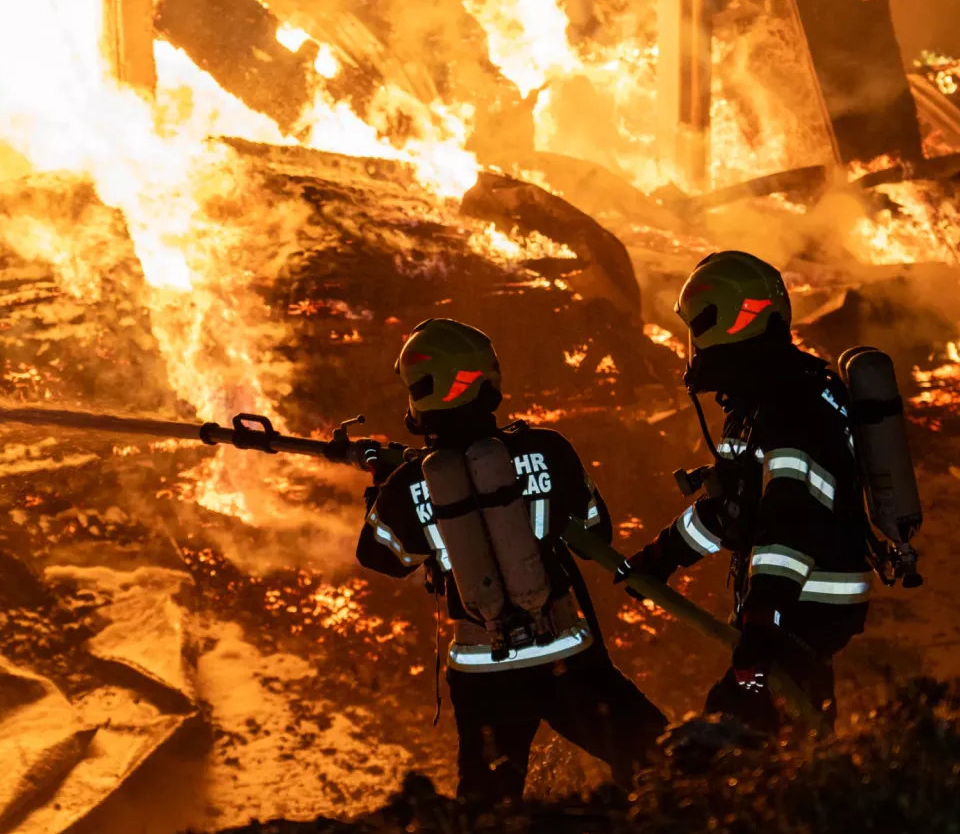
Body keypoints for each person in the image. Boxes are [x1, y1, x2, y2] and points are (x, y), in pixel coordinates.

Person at [357, 318, 668, 802]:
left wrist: (382, 491)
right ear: (487, 380)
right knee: (658, 759)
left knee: (488, 805)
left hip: (482, 672)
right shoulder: (548, 448)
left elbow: (383, 557)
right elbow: (595, 527)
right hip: (564, 654)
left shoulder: (409, 485)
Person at [617, 250, 872, 732]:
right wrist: (663, 555)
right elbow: (733, 510)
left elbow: (790, 523)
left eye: (696, 329)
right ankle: (827, 788)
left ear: (726, 322)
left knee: (740, 726)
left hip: (804, 607)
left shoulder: (791, 407)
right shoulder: (760, 405)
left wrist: (763, 616)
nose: (692, 345)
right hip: (792, 610)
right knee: (797, 721)